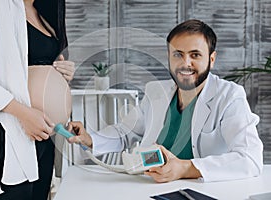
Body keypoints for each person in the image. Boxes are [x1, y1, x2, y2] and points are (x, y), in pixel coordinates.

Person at [66, 19, 263, 183]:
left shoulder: (229, 96)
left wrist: (185, 168)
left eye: (195, 55)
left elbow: (250, 159)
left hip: (201, 191)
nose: (185, 63)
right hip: (152, 186)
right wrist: (89, 139)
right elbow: (127, 133)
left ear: (211, 59)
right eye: (178, 54)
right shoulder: (156, 92)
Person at [0, 0, 74, 199]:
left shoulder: (44, 14)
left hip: (45, 138)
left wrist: (63, 72)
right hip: (9, 134)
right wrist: (25, 115)